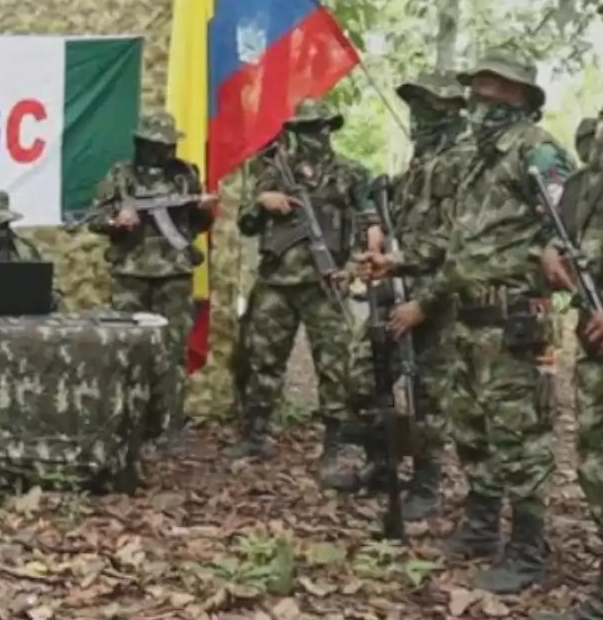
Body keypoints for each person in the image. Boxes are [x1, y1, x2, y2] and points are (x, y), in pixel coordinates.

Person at [363, 49, 574, 595]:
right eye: (478, 85)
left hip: (513, 319)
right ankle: (481, 528)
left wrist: (558, 248)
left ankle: (528, 549)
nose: (482, 96)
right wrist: (402, 265)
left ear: (522, 97)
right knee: (473, 430)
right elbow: (459, 251)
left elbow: (572, 213)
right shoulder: (479, 160)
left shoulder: (537, 149)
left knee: (518, 437)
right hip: (468, 316)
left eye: (496, 87)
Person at [234, 99, 377, 491]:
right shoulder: (273, 173)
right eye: (304, 129)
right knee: (262, 361)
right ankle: (255, 436)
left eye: (318, 128)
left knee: (335, 366)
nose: (312, 136)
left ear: (329, 129)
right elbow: (245, 222)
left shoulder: (351, 173)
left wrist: (353, 268)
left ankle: (334, 443)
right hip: (276, 282)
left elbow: (371, 223)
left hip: (325, 282)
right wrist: (263, 202)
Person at [344, 73, 467, 518]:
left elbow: (457, 243)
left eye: (428, 106)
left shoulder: (465, 161)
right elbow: (380, 208)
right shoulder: (417, 165)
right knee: (362, 376)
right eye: (414, 106)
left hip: (438, 296)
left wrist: (421, 296)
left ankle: (427, 483)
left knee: (429, 395)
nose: (418, 116)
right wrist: (373, 237)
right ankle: (383, 460)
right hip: (396, 291)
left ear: (452, 110)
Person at [88, 112, 215, 448]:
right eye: (156, 145)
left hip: (174, 275)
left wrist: (204, 208)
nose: (163, 151)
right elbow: (94, 218)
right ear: (142, 144)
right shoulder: (120, 175)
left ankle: (170, 426)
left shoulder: (186, 175)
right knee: (126, 352)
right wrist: (118, 221)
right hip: (130, 274)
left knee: (172, 352)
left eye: (167, 145)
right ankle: (126, 425)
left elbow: (198, 225)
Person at [534, 114, 603, 620]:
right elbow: (562, 234)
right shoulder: (584, 180)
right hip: (593, 339)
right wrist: (551, 254)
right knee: (593, 464)